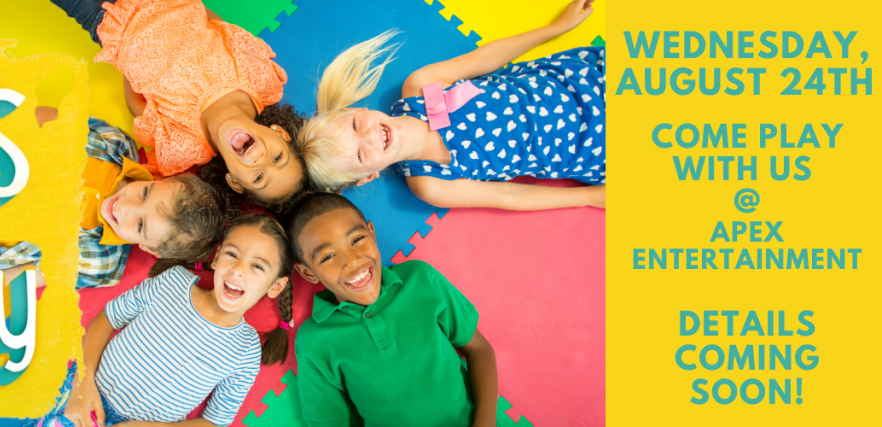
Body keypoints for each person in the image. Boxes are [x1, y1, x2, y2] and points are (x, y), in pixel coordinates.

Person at [301, 0, 606, 211]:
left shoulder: (419, 88)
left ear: (357, 110)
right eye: (359, 154)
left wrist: (556, 29)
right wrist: (588, 197)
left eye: (355, 126)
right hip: (592, 147)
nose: (369, 136)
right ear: (368, 177)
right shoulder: (430, 182)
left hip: (582, 80)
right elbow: (509, 195)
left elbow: (487, 58)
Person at [35, 214, 296, 427]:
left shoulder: (246, 349)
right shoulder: (173, 282)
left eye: (257, 266)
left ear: (276, 286)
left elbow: (215, 421)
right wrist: (83, 381)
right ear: (216, 258)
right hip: (84, 392)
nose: (238, 270)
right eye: (232, 254)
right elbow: (108, 318)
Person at [50, 0, 308, 208]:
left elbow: (137, 106)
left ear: (235, 182)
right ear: (280, 133)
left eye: (259, 177)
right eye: (277, 158)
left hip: (109, 17)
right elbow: (222, 28)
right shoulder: (260, 81)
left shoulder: (184, 148)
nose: (261, 160)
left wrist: (126, 51)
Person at [285, 193, 498, 427]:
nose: (352, 261)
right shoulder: (313, 341)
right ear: (308, 273)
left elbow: (478, 347)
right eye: (328, 257)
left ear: (372, 233)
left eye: (357, 239)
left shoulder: (420, 278)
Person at [0, 109, 224, 289]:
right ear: (161, 180)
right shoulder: (115, 146)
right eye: (145, 194)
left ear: (148, 249)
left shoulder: (98, 260)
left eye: (140, 225)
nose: (125, 207)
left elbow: (17, 279)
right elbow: (50, 118)